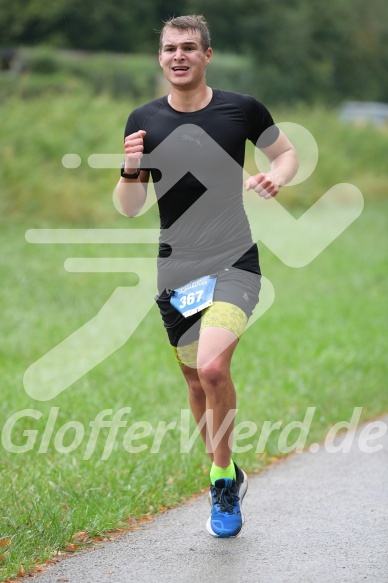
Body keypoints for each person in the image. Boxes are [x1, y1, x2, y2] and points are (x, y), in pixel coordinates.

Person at [117, 14, 298, 538]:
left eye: (189, 48)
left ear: (206, 55)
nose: (179, 56)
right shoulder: (142, 119)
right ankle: (227, 468)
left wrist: (275, 176)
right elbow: (130, 207)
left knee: (214, 369)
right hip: (175, 267)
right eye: (170, 48)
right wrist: (130, 171)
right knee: (196, 380)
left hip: (234, 258)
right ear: (161, 57)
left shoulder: (240, 109)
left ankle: (220, 482)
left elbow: (284, 153)